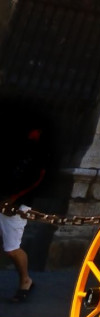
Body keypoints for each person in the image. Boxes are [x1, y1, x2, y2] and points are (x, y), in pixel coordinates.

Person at [1, 122, 47, 302]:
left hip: (15, 204)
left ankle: (26, 280)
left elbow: (37, 178)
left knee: (12, 249)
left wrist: (13, 198)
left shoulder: (35, 151)